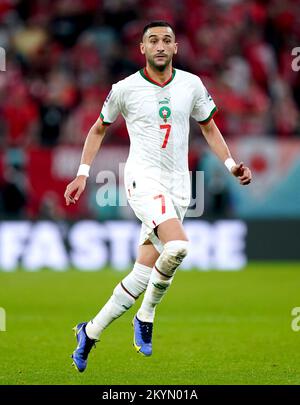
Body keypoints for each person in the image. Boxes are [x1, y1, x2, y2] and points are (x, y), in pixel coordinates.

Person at [64, 20, 252, 372]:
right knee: (179, 247)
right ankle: (145, 317)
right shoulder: (124, 89)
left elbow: (209, 126)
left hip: (180, 185)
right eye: (153, 40)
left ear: (176, 47)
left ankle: (89, 333)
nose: (161, 45)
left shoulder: (192, 85)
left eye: (167, 40)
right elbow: (98, 128)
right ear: (143, 48)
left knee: (140, 274)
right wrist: (82, 174)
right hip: (143, 180)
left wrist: (230, 165)